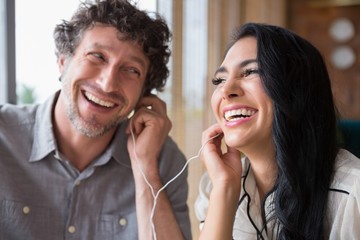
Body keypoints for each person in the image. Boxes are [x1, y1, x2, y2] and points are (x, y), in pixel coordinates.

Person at [0, 0, 191, 239]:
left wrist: (146, 171)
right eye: (97, 56)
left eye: (131, 70)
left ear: (144, 94)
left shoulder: (163, 161)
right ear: (63, 61)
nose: (108, 83)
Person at [195, 22, 360, 239]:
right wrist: (225, 188)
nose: (226, 90)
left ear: (297, 90)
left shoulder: (353, 193)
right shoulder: (215, 184)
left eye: (250, 71)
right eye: (220, 79)